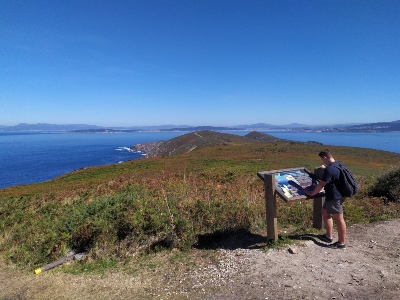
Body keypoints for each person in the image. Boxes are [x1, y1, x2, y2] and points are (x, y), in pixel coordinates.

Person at [305, 149, 347, 249]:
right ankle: (328, 236)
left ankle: (341, 243)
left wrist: (312, 193)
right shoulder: (339, 164)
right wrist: (324, 169)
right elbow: (335, 174)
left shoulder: (329, 169)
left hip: (335, 196)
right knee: (324, 211)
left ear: (325, 157)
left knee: (339, 219)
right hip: (341, 194)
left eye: (322, 159)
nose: (322, 161)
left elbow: (321, 184)